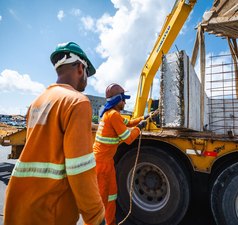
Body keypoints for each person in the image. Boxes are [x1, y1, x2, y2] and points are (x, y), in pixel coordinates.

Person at [3, 42, 106, 225]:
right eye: (87, 74)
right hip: (50, 210)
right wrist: (96, 216)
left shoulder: (37, 102)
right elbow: (80, 168)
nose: (87, 79)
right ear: (81, 68)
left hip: (19, 203)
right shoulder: (77, 102)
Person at [93, 83, 158, 225]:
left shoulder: (111, 114)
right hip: (101, 164)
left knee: (111, 196)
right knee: (100, 201)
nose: (125, 102)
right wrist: (140, 128)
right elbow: (128, 138)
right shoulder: (113, 116)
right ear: (117, 100)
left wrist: (143, 118)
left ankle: (110, 223)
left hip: (106, 162)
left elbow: (128, 123)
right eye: (123, 99)